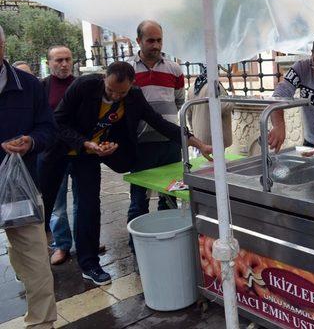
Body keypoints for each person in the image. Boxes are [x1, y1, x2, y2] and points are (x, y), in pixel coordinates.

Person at [43, 61, 212, 285]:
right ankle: (36, 255)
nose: (114, 96)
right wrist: (84, 143)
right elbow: (58, 120)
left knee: (89, 205)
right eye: (110, 89)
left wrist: (199, 144)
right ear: (104, 78)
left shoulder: (133, 96)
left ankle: (89, 263)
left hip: (90, 155)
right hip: (60, 149)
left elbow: (159, 123)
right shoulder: (83, 86)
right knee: (46, 204)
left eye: (120, 92)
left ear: (132, 85)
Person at [0, 25, 58, 328]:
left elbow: (48, 129)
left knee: (36, 262)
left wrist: (31, 142)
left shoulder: (29, 85)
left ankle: (42, 324)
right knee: (23, 256)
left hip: (22, 188)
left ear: (3, 47)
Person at [126, 20, 186, 248]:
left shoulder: (174, 69)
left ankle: (167, 243)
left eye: (159, 40)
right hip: (140, 144)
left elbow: (179, 101)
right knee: (139, 199)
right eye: (150, 40)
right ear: (138, 40)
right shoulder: (127, 69)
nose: (156, 45)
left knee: (170, 197)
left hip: (170, 143)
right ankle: (138, 248)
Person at [39, 45, 78, 265]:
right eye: (58, 60)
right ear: (49, 63)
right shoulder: (42, 87)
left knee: (84, 201)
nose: (64, 64)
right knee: (57, 203)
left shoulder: (80, 84)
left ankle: (84, 241)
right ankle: (62, 245)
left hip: (80, 151)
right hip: (53, 153)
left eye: (67, 59)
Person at [186, 69, 234, 149]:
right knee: (216, 159)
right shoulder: (214, 87)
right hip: (214, 135)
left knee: (202, 160)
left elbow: (189, 114)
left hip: (199, 135)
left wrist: (192, 130)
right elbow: (222, 107)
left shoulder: (193, 87)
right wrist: (233, 100)